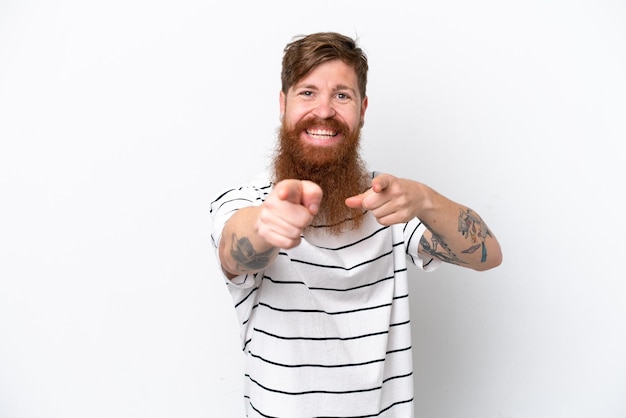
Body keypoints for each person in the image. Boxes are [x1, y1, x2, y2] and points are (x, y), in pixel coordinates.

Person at [210, 31, 502, 417]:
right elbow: (235, 249)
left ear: (362, 109)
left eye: (341, 95)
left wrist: (424, 198)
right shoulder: (246, 202)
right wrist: (268, 224)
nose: (325, 110)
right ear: (283, 105)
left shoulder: (390, 202)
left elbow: (487, 255)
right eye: (308, 93)